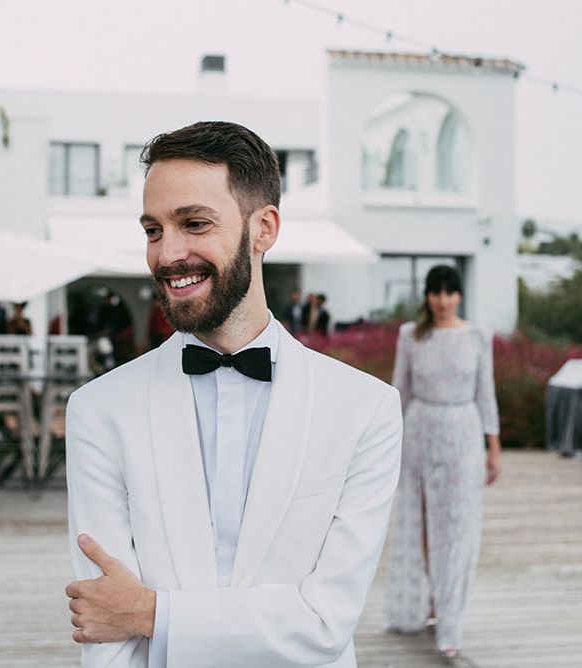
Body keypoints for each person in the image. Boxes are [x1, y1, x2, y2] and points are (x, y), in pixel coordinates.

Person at [64, 121, 403, 667]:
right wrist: (131, 615)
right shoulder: (98, 410)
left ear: (263, 228)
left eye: (194, 223)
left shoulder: (367, 410)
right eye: (153, 230)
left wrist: (153, 613)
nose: (167, 254)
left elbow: (324, 624)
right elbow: (107, 633)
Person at [383, 264, 501, 661]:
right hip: (419, 432)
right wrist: (386, 441)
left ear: (460, 295)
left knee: (457, 527)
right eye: (436, 292)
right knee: (421, 525)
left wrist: (494, 446)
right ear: (427, 296)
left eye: (450, 292)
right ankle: (430, 605)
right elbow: (400, 390)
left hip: (463, 433)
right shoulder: (411, 335)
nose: (443, 300)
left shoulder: (477, 336)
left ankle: (451, 620)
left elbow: (486, 393)